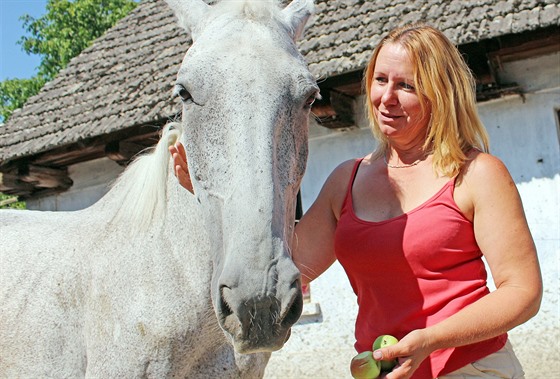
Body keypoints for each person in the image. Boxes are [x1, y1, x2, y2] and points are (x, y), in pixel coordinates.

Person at [169, 23, 542, 379]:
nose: (386, 98)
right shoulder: (346, 180)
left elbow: (522, 292)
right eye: (380, 80)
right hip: (382, 370)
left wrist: (431, 340)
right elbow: (289, 266)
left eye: (406, 85)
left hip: (472, 368)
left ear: (440, 93)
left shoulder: (477, 173)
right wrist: (202, 192)